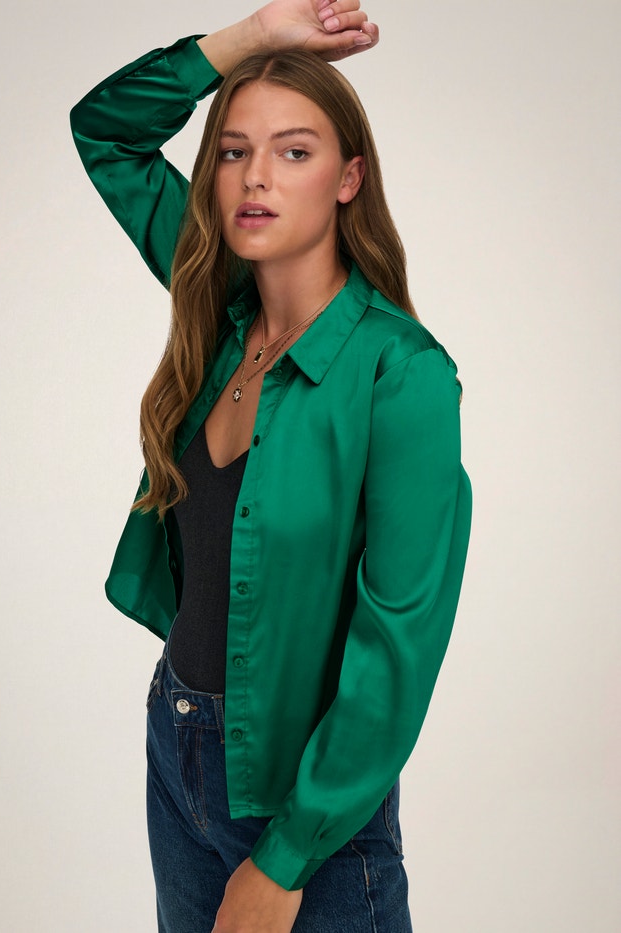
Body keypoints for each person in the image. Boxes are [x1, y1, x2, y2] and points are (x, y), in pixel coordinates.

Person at [70, 1, 472, 929]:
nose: (255, 176)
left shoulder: (401, 374)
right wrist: (252, 39)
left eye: (294, 151)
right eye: (232, 151)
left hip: (307, 804)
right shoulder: (219, 307)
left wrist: (286, 857)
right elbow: (106, 131)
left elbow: (398, 645)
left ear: (349, 177)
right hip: (178, 750)